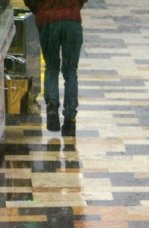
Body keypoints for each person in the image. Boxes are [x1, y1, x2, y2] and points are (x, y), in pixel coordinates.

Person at [25, 0, 87, 137]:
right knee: (70, 71)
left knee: (52, 67)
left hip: (48, 21)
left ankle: (52, 110)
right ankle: (70, 119)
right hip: (72, 21)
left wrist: (40, 9)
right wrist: (74, 6)